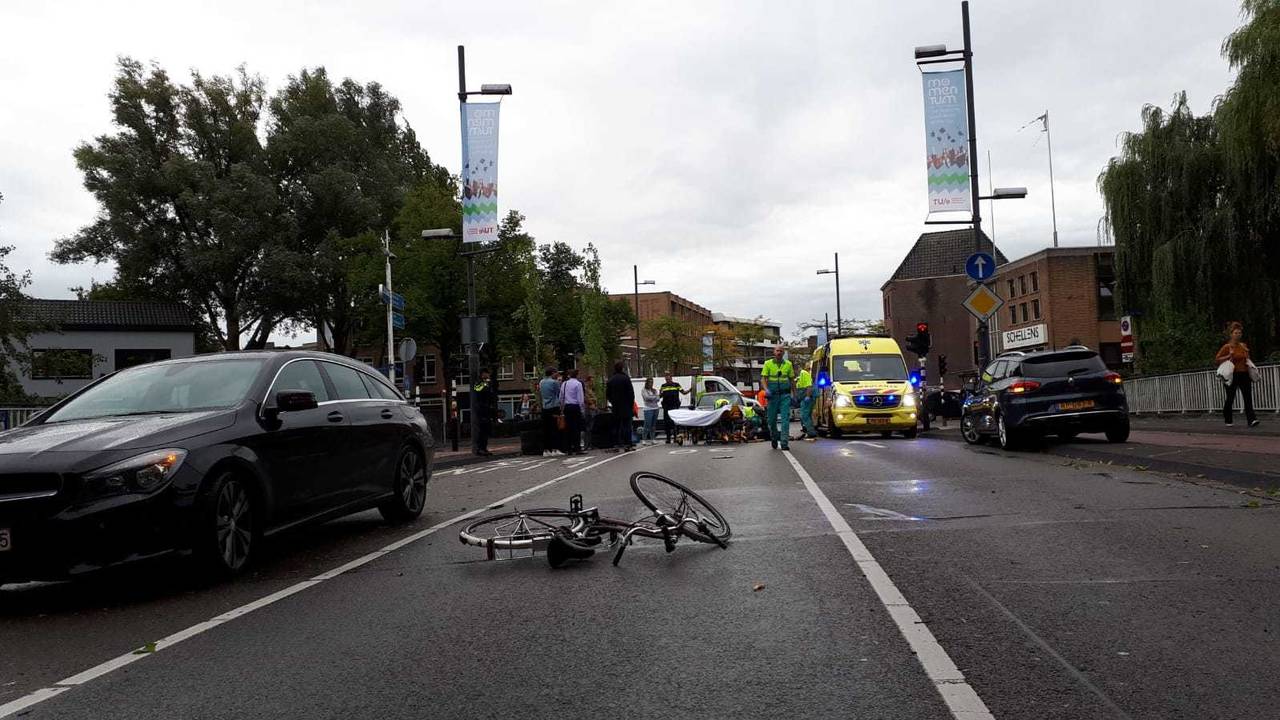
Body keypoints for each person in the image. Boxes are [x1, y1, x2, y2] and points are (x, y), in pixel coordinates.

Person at [1215, 321, 1260, 427]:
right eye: (1236, 333)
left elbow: (1247, 358)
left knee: (1247, 397)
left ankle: (1251, 419)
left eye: (1239, 333)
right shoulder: (1227, 347)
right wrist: (1228, 356)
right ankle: (1228, 418)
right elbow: (1217, 359)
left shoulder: (1243, 345)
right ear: (1231, 334)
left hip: (1244, 373)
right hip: (1231, 375)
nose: (1238, 335)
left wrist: (1247, 355)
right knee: (1230, 397)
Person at [761, 345, 795, 450]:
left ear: (783, 353)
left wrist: (794, 394)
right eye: (777, 351)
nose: (779, 352)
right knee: (771, 420)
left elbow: (792, 380)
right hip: (773, 396)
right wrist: (766, 390)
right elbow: (763, 379)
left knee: (785, 419)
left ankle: (784, 443)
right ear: (774, 352)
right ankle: (774, 437)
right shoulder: (768, 364)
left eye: (781, 351)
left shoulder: (788, 364)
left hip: (785, 395)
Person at [606, 361, 636, 452]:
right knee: (627, 426)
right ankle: (627, 444)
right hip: (626, 406)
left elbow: (608, 394)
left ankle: (616, 444)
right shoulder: (626, 378)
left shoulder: (611, 380)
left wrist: (612, 402)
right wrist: (631, 404)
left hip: (616, 406)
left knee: (616, 426)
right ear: (622, 368)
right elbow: (631, 393)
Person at [561, 368, 587, 454]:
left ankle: (568, 448)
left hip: (567, 407)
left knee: (568, 428)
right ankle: (577, 447)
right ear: (577, 375)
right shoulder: (578, 384)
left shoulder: (564, 384)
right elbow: (580, 398)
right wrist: (582, 410)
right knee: (576, 428)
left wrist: (562, 407)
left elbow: (561, 397)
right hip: (575, 407)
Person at [539, 367, 564, 457]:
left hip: (545, 407)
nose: (557, 374)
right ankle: (555, 449)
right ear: (552, 373)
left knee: (546, 429)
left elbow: (541, 394)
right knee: (554, 428)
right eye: (556, 372)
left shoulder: (541, 382)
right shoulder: (554, 382)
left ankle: (546, 450)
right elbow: (559, 394)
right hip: (554, 407)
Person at [659, 374, 689, 443]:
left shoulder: (676, 385)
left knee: (675, 422)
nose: (667, 380)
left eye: (668, 379)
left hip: (674, 406)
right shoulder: (663, 386)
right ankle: (668, 438)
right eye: (666, 379)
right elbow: (660, 395)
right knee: (667, 423)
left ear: (671, 378)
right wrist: (658, 394)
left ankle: (676, 437)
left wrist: (689, 390)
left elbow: (683, 392)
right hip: (666, 407)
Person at [473, 369, 495, 456]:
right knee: (482, 429)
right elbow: (477, 389)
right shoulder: (479, 383)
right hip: (481, 409)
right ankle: (480, 448)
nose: (488, 376)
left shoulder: (488, 383)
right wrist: (485, 384)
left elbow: (490, 394)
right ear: (483, 375)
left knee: (486, 430)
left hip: (487, 409)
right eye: (487, 374)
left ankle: (484, 448)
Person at [795, 367, 817, 441]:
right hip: (805, 398)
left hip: (807, 398)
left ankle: (811, 433)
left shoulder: (804, 373)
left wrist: (807, 396)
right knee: (807, 415)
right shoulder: (800, 376)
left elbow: (809, 386)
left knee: (804, 415)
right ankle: (810, 431)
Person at [641, 377, 660, 445]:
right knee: (647, 425)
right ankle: (644, 439)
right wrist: (654, 397)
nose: (651, 384)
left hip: (656, 408)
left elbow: (658, 398)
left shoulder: (654, 390)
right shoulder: (644, 390)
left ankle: (653, 439)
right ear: (647, 383)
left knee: (653, 425)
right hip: (648, 409)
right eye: (649, 382)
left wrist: (653, 397)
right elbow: (646, 398)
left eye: (652, 382)